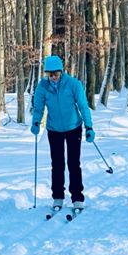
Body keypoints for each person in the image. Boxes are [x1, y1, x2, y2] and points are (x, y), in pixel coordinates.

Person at [30, 55, 95, 211]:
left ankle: (77, 198)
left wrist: (89, 127)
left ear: (61, 71)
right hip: (54, 129)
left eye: (56, 73)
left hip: (74, 128)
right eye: (50, 74)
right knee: (57, 164)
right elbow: (38, 107)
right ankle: (58, 197)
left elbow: (83, 106)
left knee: (73, 163)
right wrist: (36, 122)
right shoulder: (42, 87)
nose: (53, 77)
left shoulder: (73, 84)